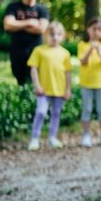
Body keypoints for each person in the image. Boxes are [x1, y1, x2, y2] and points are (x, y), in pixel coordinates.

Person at [27, 21, 70, 150]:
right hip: (43, 90)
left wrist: (68, 89)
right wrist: (37, 85)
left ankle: (52, 137)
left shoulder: (65, 53)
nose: (55, 37)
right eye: (52, 34)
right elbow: (33, 69)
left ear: (62, 36)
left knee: (56, 113)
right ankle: (35, 138)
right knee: (40, 112)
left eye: (58, 34)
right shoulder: (39, 50)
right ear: (46, 35)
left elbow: (68, 73)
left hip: (59, 90)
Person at [3, 0, 50, 85]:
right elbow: (8, 25)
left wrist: (18, 25)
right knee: (20, 79)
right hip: (17, 50)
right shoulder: (13, 7)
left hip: (36, 50)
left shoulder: (42, 9)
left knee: (34, 79)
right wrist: (29, 22)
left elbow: (41, 28)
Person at [78, 17, 101, 148]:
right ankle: (86, 135)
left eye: (99, 29)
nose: (96, 32)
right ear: (88, 30)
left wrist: (99, 50)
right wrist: (90, 50)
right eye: (94, 29)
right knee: (87, 109)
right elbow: (83, 61)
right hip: (86, 83)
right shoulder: (82, 45)